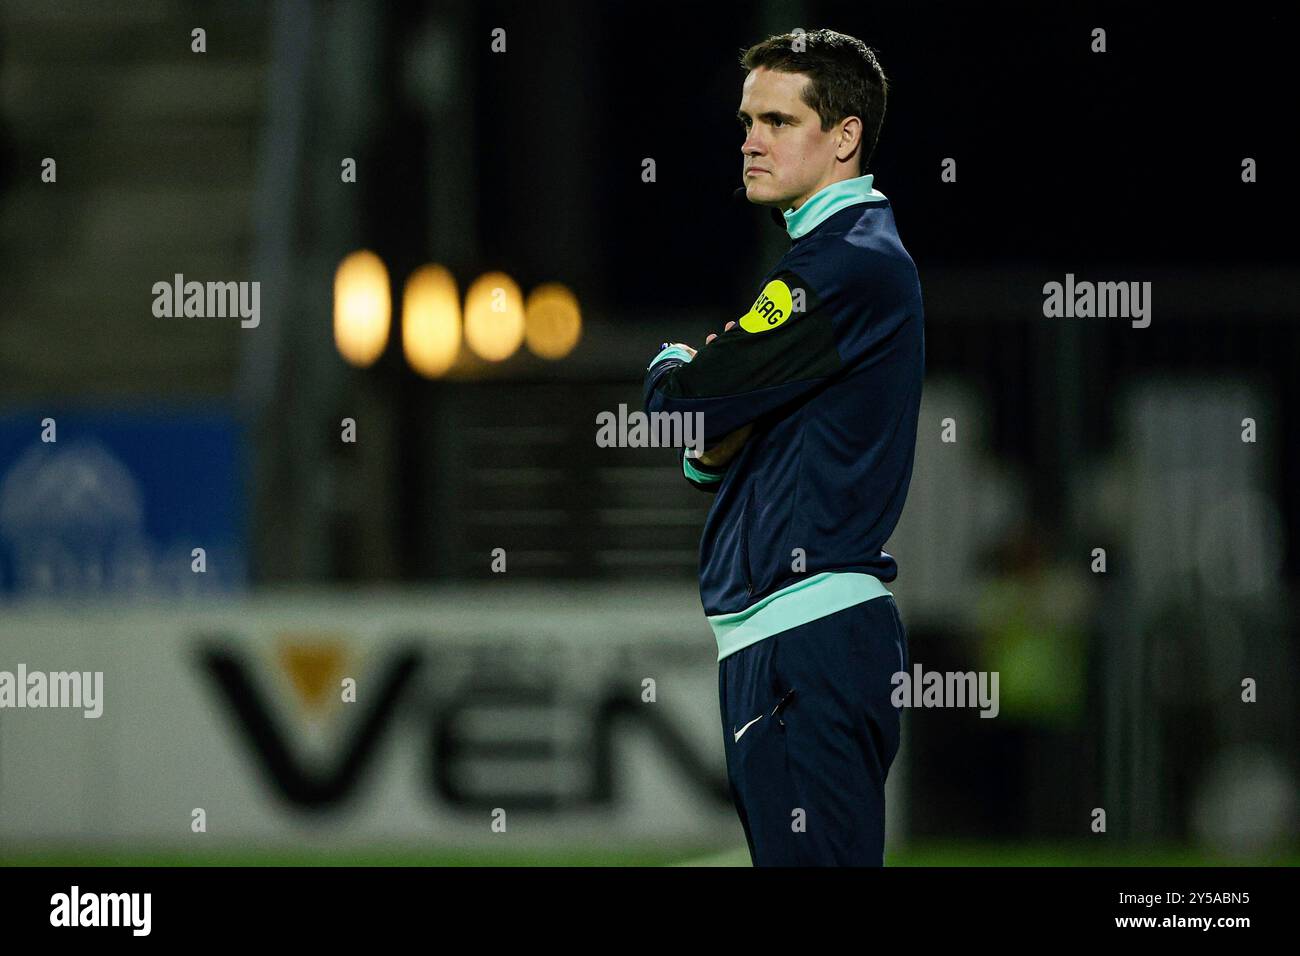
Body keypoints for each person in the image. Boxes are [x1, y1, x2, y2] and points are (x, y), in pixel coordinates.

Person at [642, 28, 924, 865]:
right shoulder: (836, 266)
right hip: (793, 641)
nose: (751, 140)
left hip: (808, 639)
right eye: (746, 120)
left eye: (777, 119)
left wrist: (673, 362)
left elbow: (683, 407)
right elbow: (710, 448)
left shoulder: (843, 268)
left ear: (844, 137)